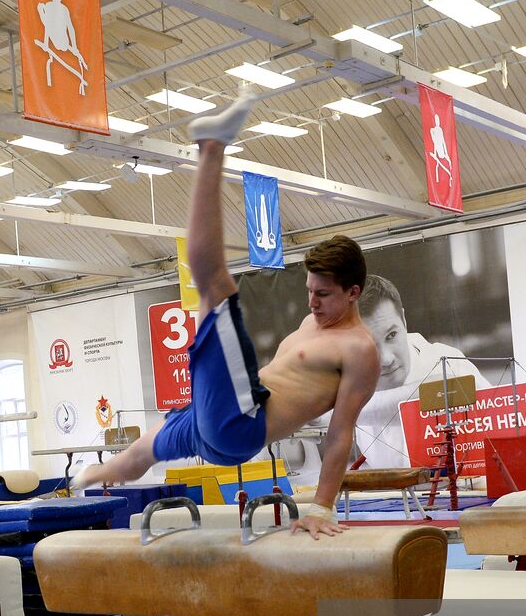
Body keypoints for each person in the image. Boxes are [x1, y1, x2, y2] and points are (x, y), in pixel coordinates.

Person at [72, 89, 381, 538]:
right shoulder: (310, 323)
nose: (312, 302)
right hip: (211, 426)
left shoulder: (360, 350)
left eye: (325, 294)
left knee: (212, 281)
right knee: (139, 453)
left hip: (240, 427)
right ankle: (82, 480)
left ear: (354, 292)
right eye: (309, 290)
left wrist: (322, 507)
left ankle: (212, 148)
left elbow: (340, 434)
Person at [352, 274, 490, 470]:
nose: (387, 359)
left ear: (404, 320)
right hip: (390, 495)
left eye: (392, 335)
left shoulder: (450, 362)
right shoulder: (350, 377)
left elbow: (498, 435)